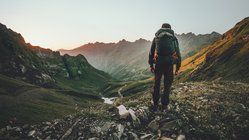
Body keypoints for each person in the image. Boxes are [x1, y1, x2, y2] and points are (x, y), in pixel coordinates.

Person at [148, 23, 181, 111]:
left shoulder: (156, 38)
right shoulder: (173, 38)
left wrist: (151, 65)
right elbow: (178, 53)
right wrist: (177, 68)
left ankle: (155, 104)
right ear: (170, 29)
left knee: (157, 83)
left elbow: (151, 52)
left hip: (158, 62)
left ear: (161, 28)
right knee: (167, 85)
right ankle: (164, 105)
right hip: (169, 63)